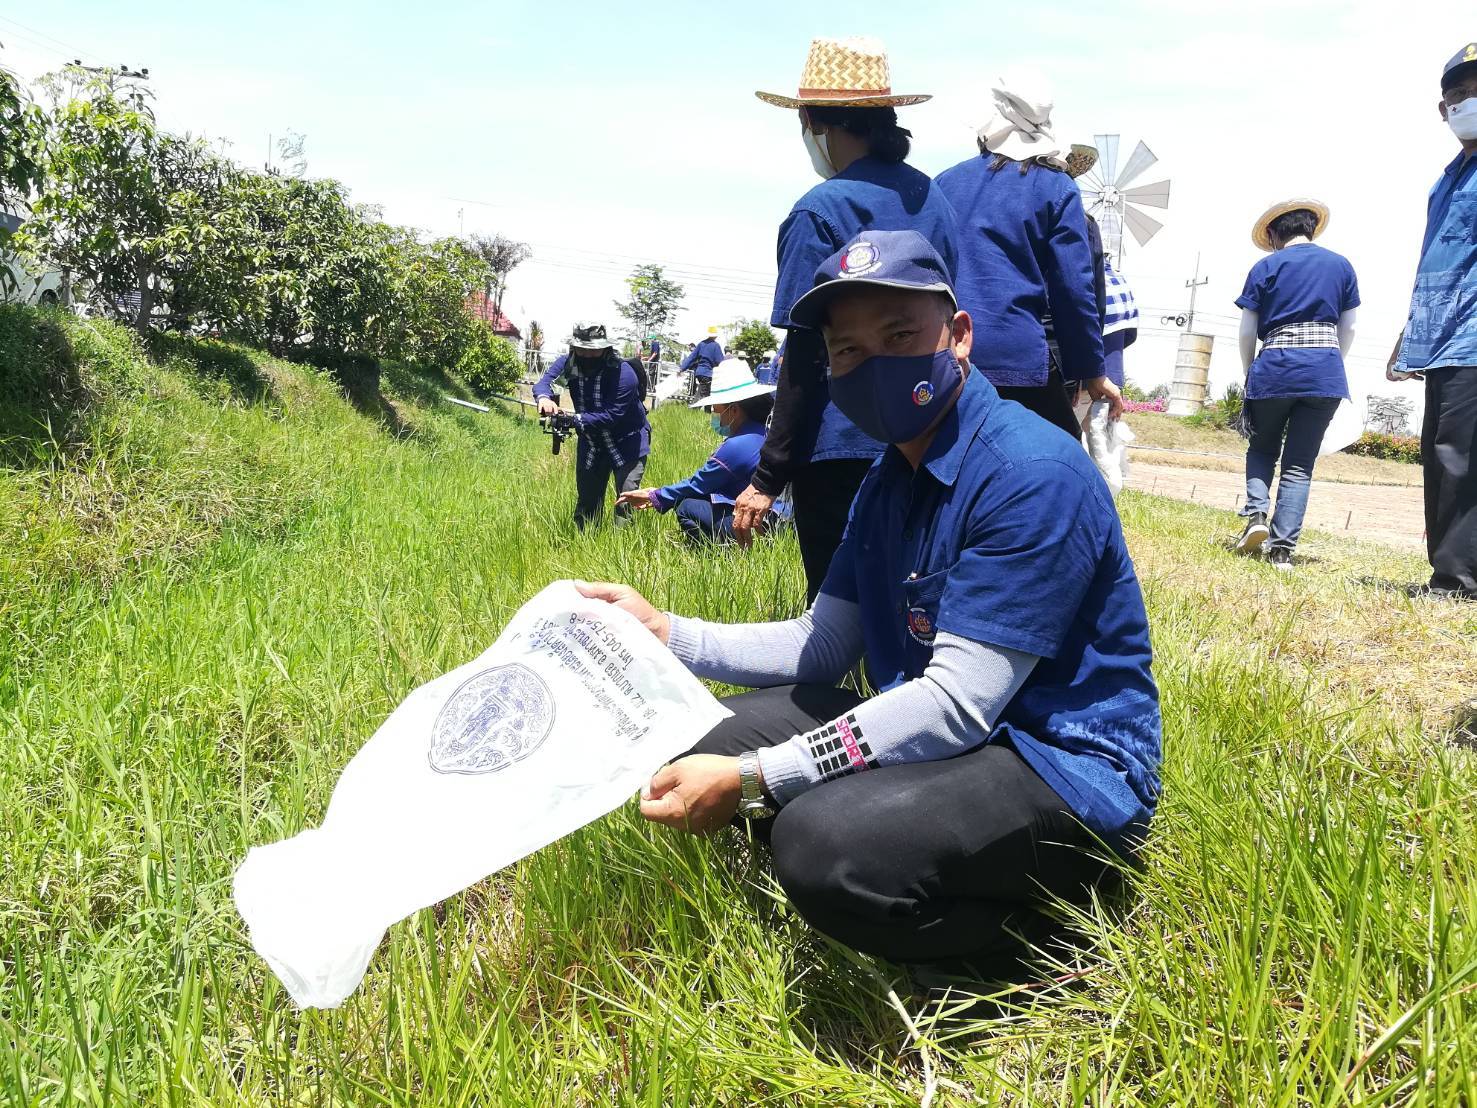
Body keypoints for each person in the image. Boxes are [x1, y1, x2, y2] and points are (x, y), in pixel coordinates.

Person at [578, 230, 1160, 978]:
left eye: (897, 335)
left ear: (956, 337)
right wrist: (664, 631)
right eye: (847, 350)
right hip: (946, 729)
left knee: (822, 844)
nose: (871, 362)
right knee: (699, 739)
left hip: (1054, 760)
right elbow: (821, 645)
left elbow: (957, 703)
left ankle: (1044, 942)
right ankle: (907, 858)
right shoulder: (887, 479)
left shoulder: (1028, 471)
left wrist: (758, 778)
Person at [733, 36, 961, 602]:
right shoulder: (934, 202)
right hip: (928, 435)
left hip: (841, 448)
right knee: (914, 602)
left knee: (840, 611)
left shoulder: (820, 210)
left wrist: (767, 476)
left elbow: (807, 355)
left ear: (812, 121)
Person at [935, 78, 1123, 441]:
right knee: (1058, 464)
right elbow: (1073, 288)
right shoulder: (1056, 187)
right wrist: (1092, 370)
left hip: (947, 353)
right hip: (1017, 358)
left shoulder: (945, 182)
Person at [1387, 43, 1477, 600]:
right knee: (1445, 453)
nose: (1469, 102)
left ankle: (1455, 581)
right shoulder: (1446, 180)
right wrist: (1409, 334)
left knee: (1456, 456)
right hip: (1445, 341)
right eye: (1459, 95)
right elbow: (1437, 263)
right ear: (1442, 111)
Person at [1230, 200, 1359, 568]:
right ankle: (1282, 550)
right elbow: (1348, 328)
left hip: (1275, 368)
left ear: (1272, 234)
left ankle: (1256, 517)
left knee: (1262, 448)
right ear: (1312, 229)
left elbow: (1247, 330)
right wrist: (1332, 363)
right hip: (1325, 373)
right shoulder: (1341, 265)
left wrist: (1247, 372)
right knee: (1299, 464)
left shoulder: (1265, 266)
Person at [617, 359, 775, 544]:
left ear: (733, 410)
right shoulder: (763, 431)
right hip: (774, 517)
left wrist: (654, 496)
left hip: (759, 522)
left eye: (716, 409)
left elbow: (698, 485)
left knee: (687, 506)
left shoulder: (737, 445)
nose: (715, 415)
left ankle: (720, 552)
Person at [533, 321, 651, 531]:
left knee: (626, 499)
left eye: (593, 351)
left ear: (605, 349)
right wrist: (544, 398)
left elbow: (610, 415)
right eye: (582, 350)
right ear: (574, 347)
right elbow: (545, 382)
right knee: (587, 500)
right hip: (591, 442)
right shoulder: (569, 363)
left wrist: (572, 420)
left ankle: (623, 548)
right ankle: (584, 541)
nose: (587, 356)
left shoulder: (624, 374)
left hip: (627, 441)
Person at [680, 333, 724, 400]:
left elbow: (691, 357)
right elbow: (720, 361)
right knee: (702, 395)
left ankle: (707, 410)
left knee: (707, 395)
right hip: (707, 373)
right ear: (716, 336)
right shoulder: (716, 346)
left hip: (699, 372)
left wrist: (682, 368)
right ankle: (693, 409)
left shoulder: (701, 344)